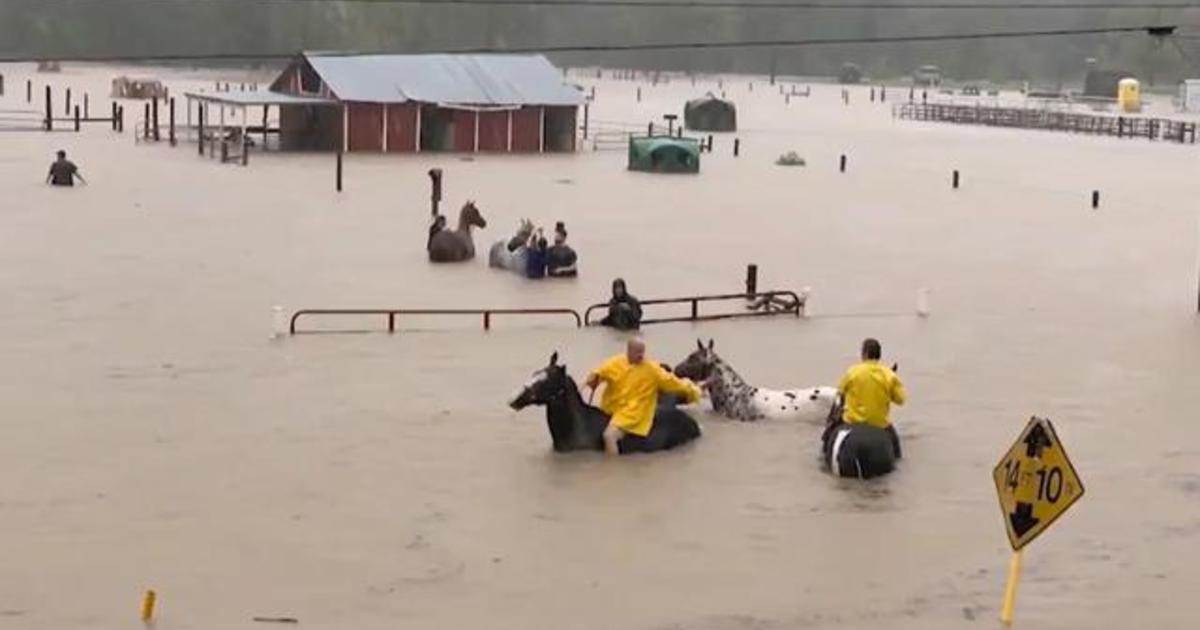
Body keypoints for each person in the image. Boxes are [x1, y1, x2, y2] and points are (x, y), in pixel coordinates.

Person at [585, 337, 702, 456]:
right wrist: (593, 378)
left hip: (634, 413)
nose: (641, 355)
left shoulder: (652, 369)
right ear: (629, 351)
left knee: (609, 436)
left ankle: (612, 468)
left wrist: (693, 390)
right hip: (612, 408)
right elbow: (600, 372)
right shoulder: (615, 363)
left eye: (642, 352)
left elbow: (673, 382)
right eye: (637, 352)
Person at [836, 338, 906, 458]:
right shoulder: (889, 375)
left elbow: (840, 392)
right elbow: (901, 400)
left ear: (865, 354)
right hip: (880, 425)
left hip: (852, 421)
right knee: (898, 455)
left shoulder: (852, 371)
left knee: (827, 437)